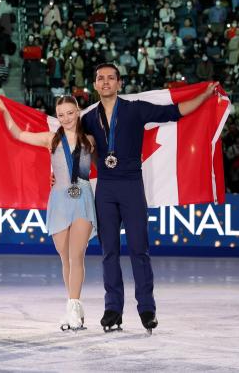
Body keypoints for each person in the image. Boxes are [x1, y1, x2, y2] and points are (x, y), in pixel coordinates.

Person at [82, 63, 217, 334]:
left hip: (132, 185)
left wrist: (203, 97)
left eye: (111, 78)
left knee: (138, 249)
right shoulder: (87, 118)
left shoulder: (135, 109)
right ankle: (112, 309)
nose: (106, 82)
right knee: (109, 251)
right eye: (100, 78)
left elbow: (174, 112)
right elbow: (70, 145)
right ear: (95, 85)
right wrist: (58, 176)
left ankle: (146, 309)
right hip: (106, 188)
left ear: (120, 84)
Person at [0, 95, 97, 331]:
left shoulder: (90, 139)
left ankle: (73, 307)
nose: (66, 118)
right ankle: (75, 307)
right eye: (61, 115)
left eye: (70, 113)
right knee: (64, 257)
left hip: (82, 199)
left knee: (76, 255)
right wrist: (4, 110)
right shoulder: (51, 139)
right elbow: (18, 134)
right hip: (60, 201)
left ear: (78, 112)